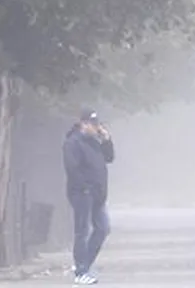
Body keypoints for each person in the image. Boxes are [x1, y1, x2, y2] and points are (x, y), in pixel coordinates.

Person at [63, 108, 115, 285]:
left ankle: (85, 264)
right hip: (82, 194)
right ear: (83, 124)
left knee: (103, 228)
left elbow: (109, 157)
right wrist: (84, 188)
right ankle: (80, 271)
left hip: (98, 195)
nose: (96, 128)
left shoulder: (93, 141)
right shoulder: (73, 142)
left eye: (97, 124)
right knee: (82, 231)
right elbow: (72, 168)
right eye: (93, 124)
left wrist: (106, 139)